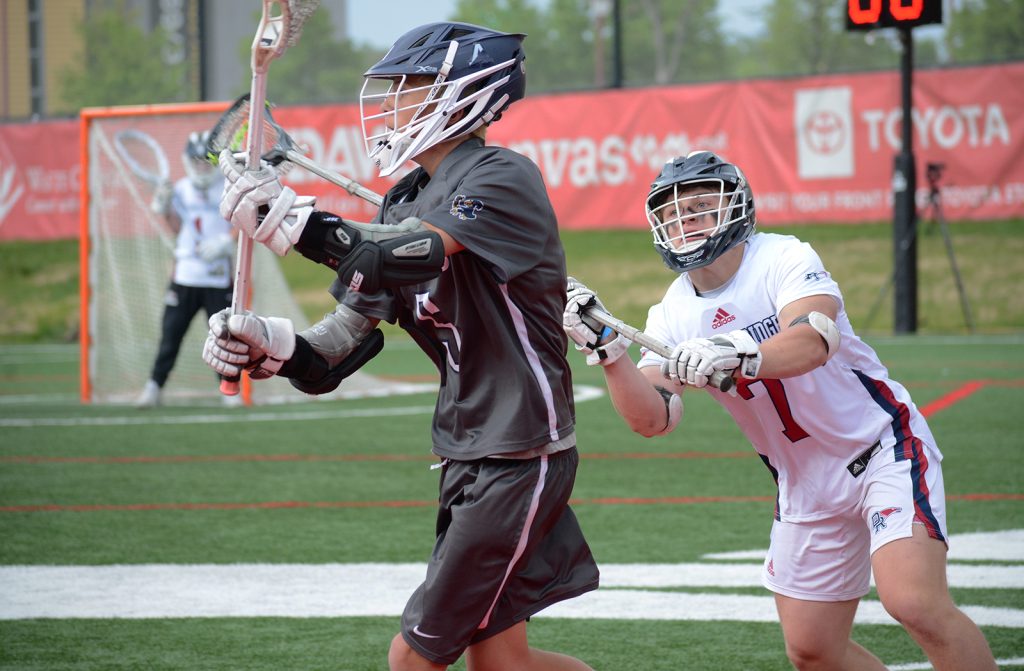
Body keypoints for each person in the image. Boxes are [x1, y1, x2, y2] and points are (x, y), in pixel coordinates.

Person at [202, 22, 599, 671]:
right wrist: (270, 346)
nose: (390, 106)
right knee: (505, 663)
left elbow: (394, 255)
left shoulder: (502, 178)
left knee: (411, 658)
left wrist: (292, 222)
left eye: (409, 89)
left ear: (462, 96)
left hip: (521, 450)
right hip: (468, 449)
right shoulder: (403, 200)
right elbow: (337, 350)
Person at [563, 151, 997, 671]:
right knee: (814, 650)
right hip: (804, 481)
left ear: (737, 207)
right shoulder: (672, 311)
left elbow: (815, 339)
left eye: (701, 206)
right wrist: (611, 354)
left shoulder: (783, 257)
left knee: (915, 604)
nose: (686, 220)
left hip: (882, 448)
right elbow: (653, 418)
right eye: (673, 212)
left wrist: (739, 353)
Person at [135, 131, 238, 408]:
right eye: (197, 160)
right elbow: (177, 228)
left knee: (224, 338)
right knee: (171, 335)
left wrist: (226, 243)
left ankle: (228, 389)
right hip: (185, 277)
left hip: (217, 278)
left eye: (207, 160)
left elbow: (242, 226)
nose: (202, 165)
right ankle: (154, 387)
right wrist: (165, 206)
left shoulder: (228, 188)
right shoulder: (180, 189)